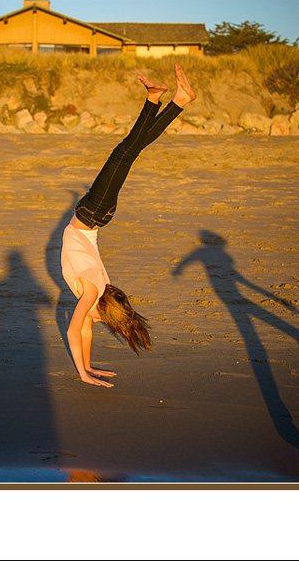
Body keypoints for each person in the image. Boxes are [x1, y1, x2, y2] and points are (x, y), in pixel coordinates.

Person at [61, 64, 196, 387]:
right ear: (101, 309)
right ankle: (164, 100)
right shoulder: (92, 290)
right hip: (93, 213)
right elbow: (74, 328)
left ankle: (175, 100)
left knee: (130, 151)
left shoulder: (95, 294)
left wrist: (88, 368)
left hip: (97, 218)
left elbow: (82, 329)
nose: (94, 323)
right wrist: (81, 373)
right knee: (125, 152)